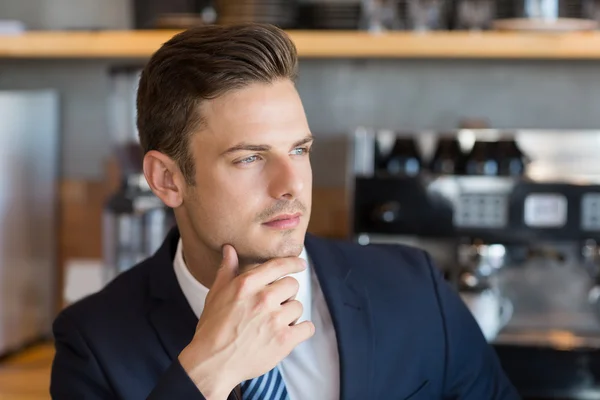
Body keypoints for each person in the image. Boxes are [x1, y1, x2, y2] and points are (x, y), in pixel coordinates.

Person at [50, 23, 519, 400]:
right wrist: (206, 372)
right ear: (167, 180)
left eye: (299, 150)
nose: (291, 184)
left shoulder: (415, 290)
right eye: (249, 158)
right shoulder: (93, 345)